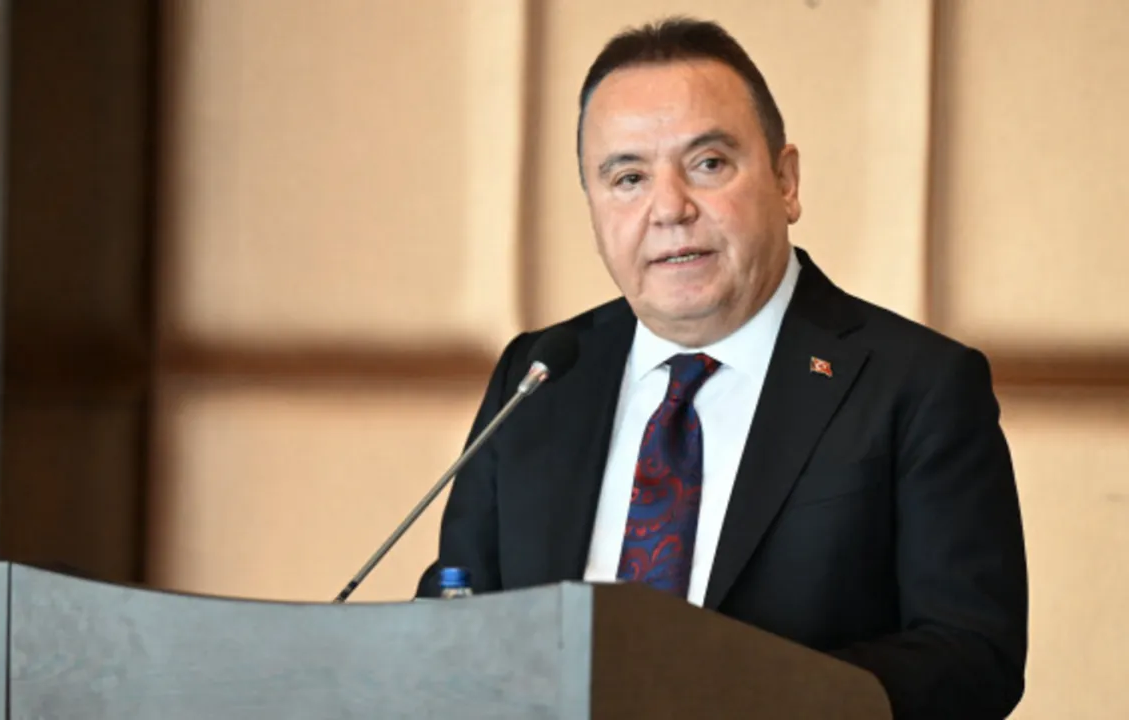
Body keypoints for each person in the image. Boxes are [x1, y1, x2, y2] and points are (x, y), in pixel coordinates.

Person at [415, 16, 1027, 719]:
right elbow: (456, 623)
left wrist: (741, 694)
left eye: (707, 164)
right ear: (593, 208)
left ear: (785, 181)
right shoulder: (541, 376)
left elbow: (971, 656)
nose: (669, 209)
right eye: (628, 178)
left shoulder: (916, 385)